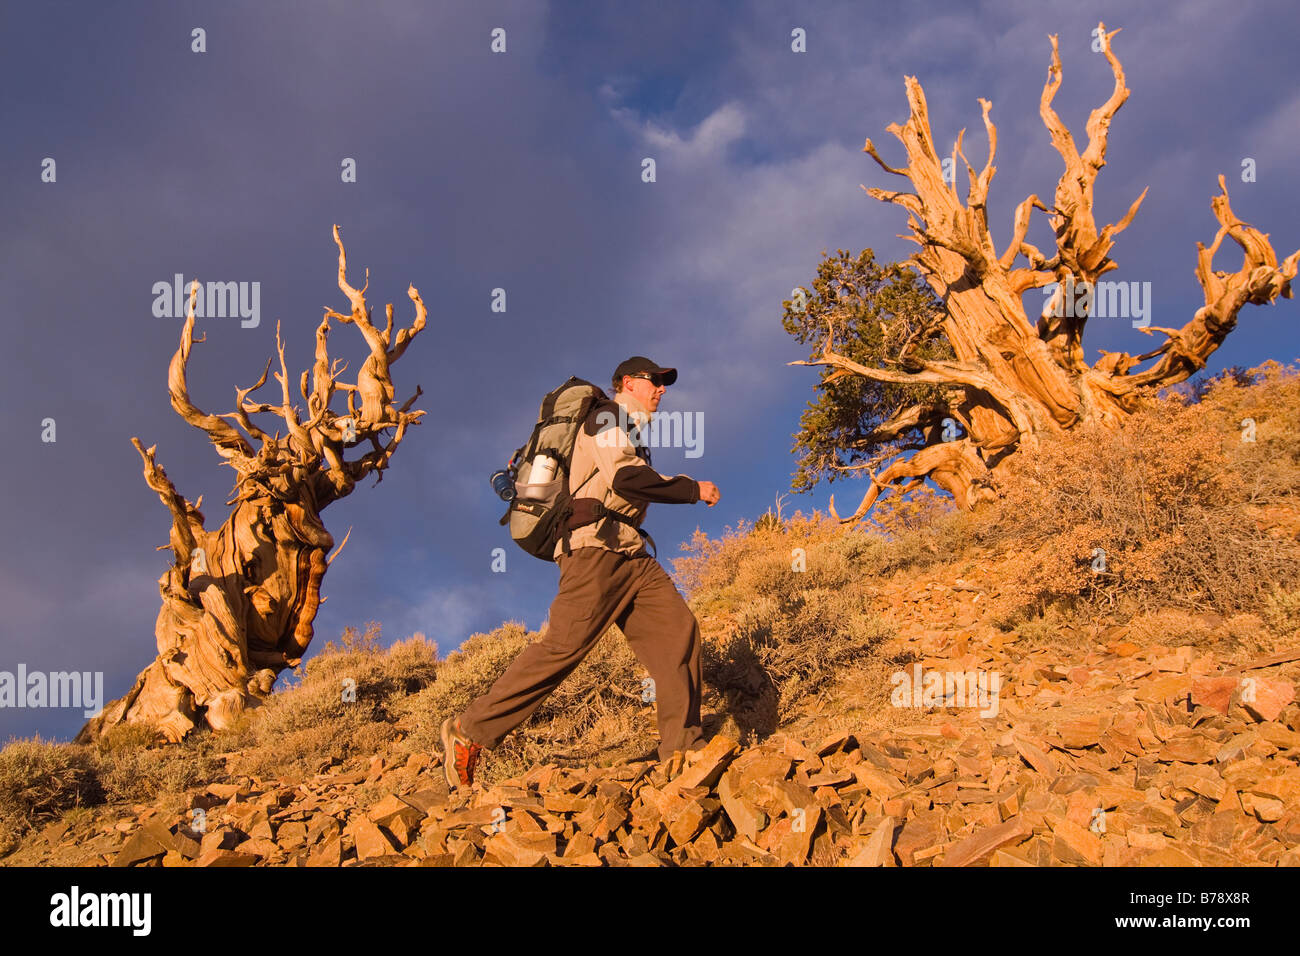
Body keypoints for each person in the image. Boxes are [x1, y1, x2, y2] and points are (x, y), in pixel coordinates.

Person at [440, 356, 721, 789]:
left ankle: (682, 753)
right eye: (654, 381)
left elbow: (629, 476)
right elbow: (627, 480)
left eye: (665, 383)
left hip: (632, 555)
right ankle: (470, 730)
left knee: (678, 633)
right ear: (627, 382)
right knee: (562, 648)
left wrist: (676, 482)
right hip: (595, 552)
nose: (661, 389)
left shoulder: (629, 431)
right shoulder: (607, 416)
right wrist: (691, 489)